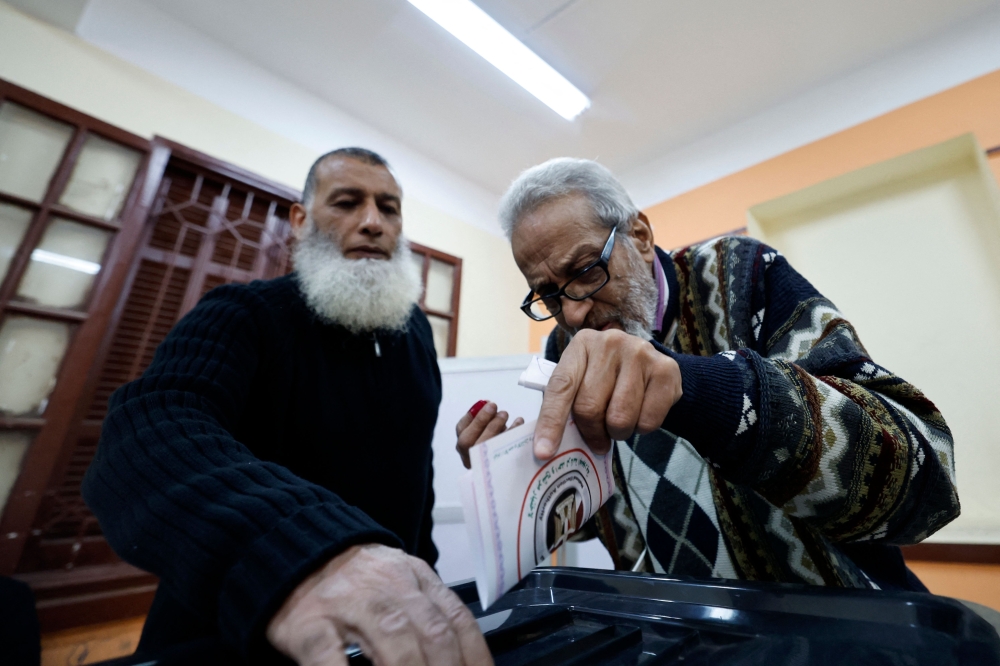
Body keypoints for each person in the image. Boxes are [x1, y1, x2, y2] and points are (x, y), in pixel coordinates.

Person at [457, 157, 959, 591]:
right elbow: (593, 515)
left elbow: (925, 479)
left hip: (840, 637)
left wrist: (698, 391)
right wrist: (513, 475)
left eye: (587, 269)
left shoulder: (739, 275)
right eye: (548, 293)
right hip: (683, 639)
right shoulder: (565, 346)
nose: (571, 314)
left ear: (639, 234)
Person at [84, 148, 492, 666]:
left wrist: (422, 573)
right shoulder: (243, 315)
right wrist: (301, 553)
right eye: (347, 203)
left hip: (389, 634)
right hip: (242, 628)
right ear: (300, 220)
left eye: (389, 209)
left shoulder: (415, 336)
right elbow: (148, 430)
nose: (372, 222)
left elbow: (416, 481)